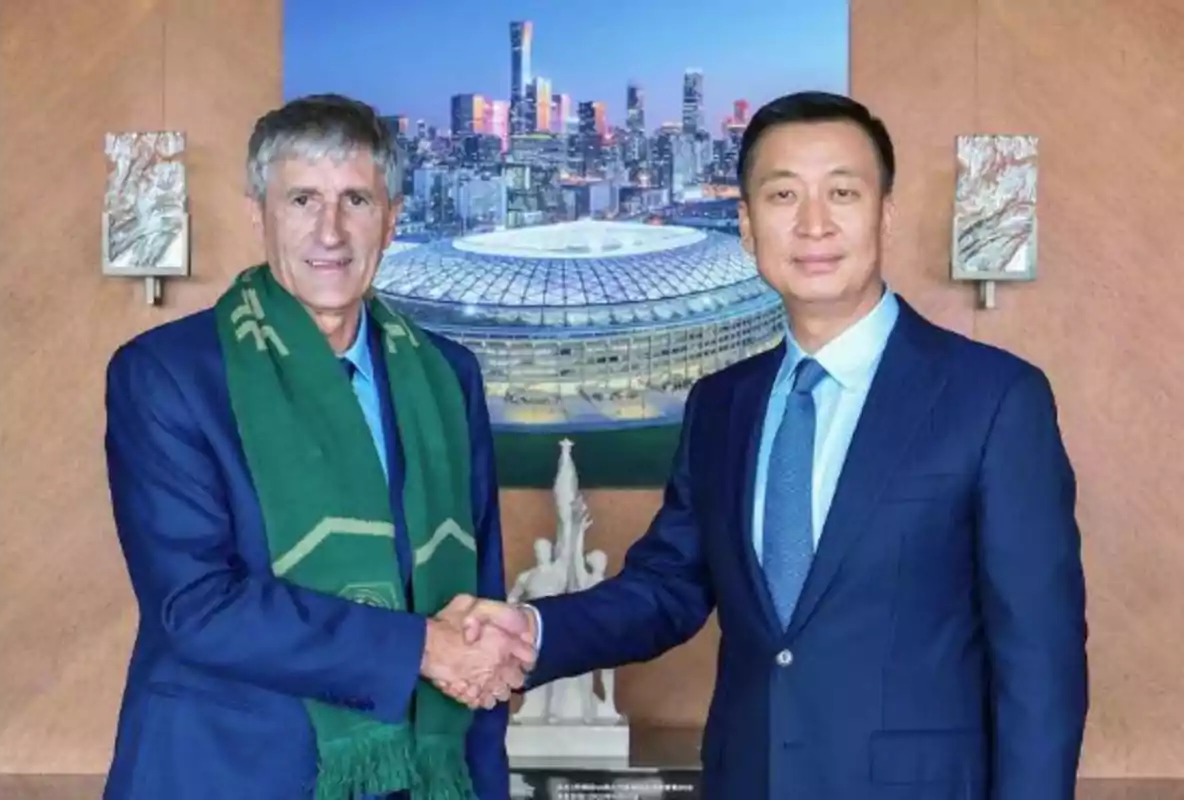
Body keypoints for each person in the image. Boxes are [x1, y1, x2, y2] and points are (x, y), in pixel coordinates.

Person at [454, 91, 1089, 799]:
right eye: (783, 195)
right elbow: (669, 588)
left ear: (884, 213)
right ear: (748, 225)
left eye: (842, 192)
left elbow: (1041, 660)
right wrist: (531, 629)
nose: (813, 223)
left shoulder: (994, 399)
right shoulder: (723, 404)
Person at [101, 94, 533, 800]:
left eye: (356, 199)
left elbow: (473, 606)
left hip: (419, 780)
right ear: (257, 212)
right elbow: (197, 605)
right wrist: (421, 646)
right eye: (302, 198)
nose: (329, 231)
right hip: (221, 774)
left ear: (391, 218)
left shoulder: (448, 376)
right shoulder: (167, 376)